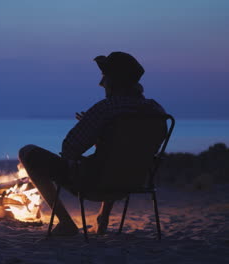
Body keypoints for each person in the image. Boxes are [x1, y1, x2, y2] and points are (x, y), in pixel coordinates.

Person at [18, 52, 166, 235]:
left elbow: (69, 150)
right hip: (134, 183)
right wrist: (102, 136)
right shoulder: (157, 111)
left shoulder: (106, 109)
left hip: (94, 184)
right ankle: (103, 218)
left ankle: (66, 223)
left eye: (104, 77)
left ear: (113, 81)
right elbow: (129, 150)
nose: (100, 83)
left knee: (27, 152)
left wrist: (90, 126)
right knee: (116, 159)